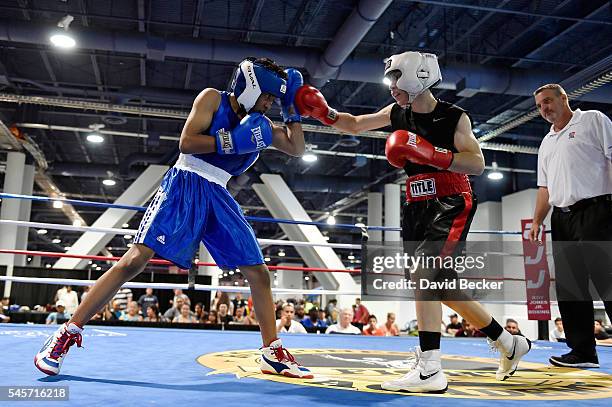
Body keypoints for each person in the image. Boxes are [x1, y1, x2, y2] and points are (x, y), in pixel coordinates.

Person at [35, 57, 312, 379]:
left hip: (219, 193)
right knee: (134, 261)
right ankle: (65, 333)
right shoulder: (212, 98)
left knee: (259, 272)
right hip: (186, 180)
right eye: (268, 95)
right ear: (251, 87)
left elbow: (296, 148)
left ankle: (271, 352)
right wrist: (232, 142)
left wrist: (292, 109)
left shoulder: (263, 127)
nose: (269, 103)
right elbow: (187, 142)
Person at [295, 50, 531, 392]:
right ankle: (509, 343)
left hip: (451, 200)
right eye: (390, 80)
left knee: (425, 273)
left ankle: (431, 368)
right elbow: (356, 123)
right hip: (415, 205)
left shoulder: (454, 117)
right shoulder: (396, 113)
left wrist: (433, 154)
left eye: (395, 79)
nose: (391, 87)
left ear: (418, 76)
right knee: (441, 287)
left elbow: (477, 163)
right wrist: (324, 113)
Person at [528, 83, 612, 368]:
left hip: (597, 211)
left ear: (564, 98)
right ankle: (583, 352)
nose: (545, 109)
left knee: (607, 282)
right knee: (570, 287)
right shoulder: (546, 143)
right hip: (561, 218)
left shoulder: (593, 120)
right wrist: (537, 220)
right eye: (539, 106)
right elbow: (544, 188)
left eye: (548, 101)